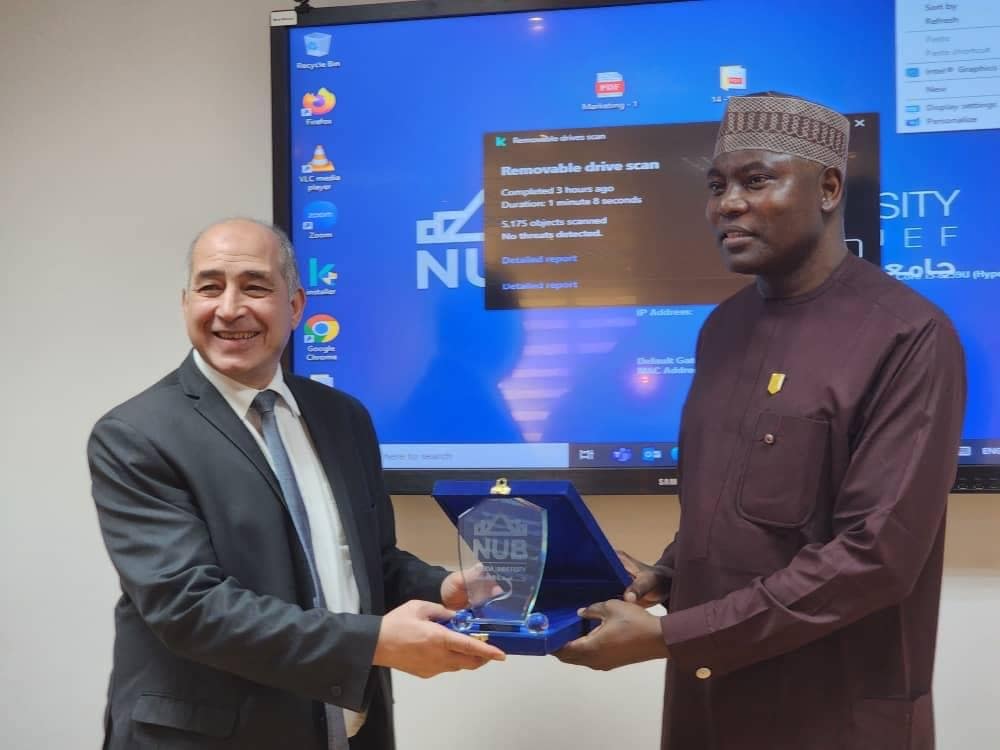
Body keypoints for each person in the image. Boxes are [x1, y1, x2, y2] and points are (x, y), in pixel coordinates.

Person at [556, 94, 966, 749]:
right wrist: (667, 575)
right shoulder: (723, 329)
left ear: (828, 188)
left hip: (835, 714)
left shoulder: (908, 335)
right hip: (707, 706)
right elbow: (738, 510)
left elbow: (876, 556)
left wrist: (672, 636)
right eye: (717, 186)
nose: (727, 205)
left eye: (756, 180)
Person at [88, 218, 505, 750]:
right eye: (210, 287)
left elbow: (366, 562)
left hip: (349, 732)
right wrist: (373, 642)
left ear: (295, 306)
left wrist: (442, 587)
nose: (229, 308)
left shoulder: (343, 418)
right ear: (186, 302)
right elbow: (190, 608)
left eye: (254, 287)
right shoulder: (135, 435)